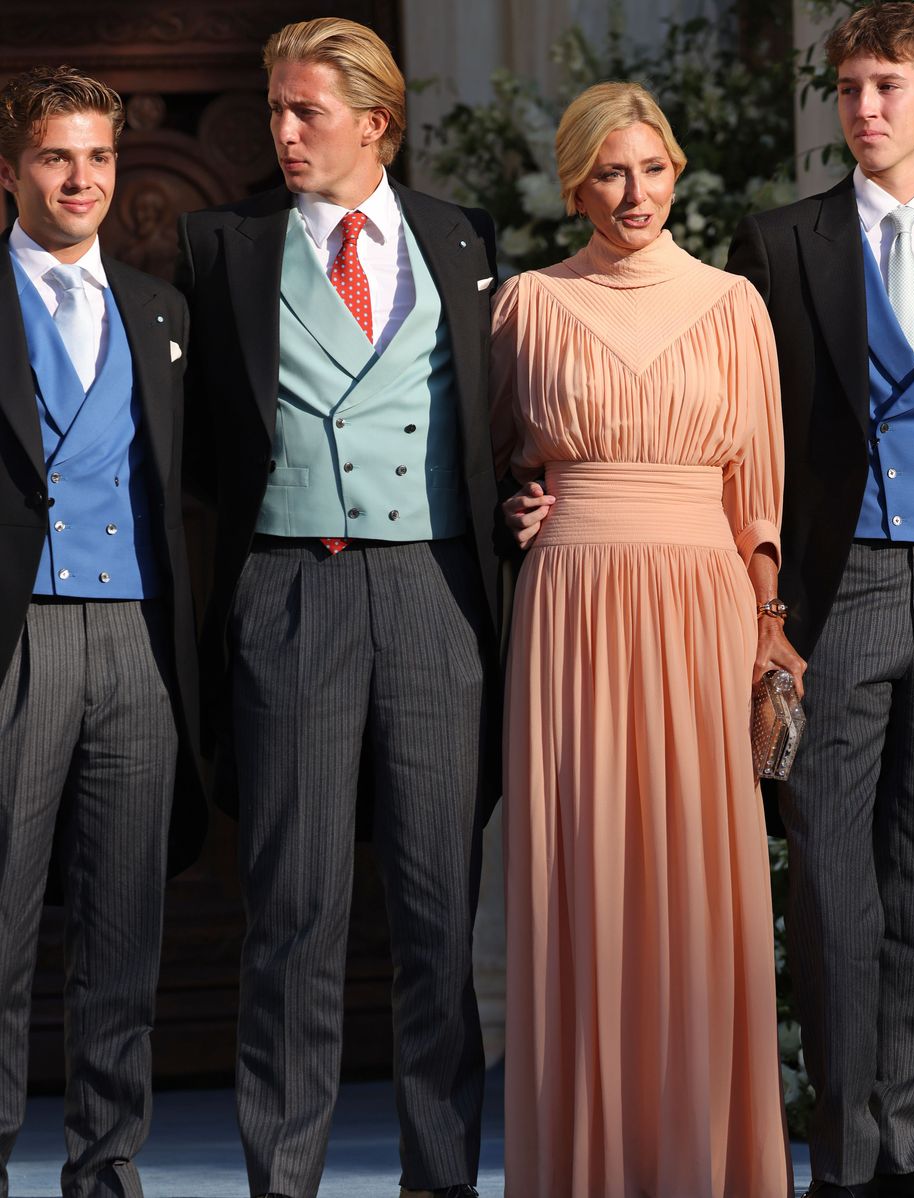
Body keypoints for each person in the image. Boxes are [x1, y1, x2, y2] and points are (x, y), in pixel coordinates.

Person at [177, 18, 499, 1198]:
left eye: (305, 111)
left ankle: (441, 1178)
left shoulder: (462, 240)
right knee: (295, 913)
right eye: (274, 110)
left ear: (375, 120)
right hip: (293, 588)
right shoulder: (224, 244)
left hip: (433, 590)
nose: (283, 131)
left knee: (434, 914)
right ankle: (283, 1179)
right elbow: (203, 445)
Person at [724, 5, 914, 1196]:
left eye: (887, 85)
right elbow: (746, 436)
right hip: (831, 594)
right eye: (848, 87)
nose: (864, 107)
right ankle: (844, 1160)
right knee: (835, 888)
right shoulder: (779, 243)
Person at [491, 80, 802, 1198]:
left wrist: (768, 630)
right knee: (582, 877)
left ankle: (703, 1164)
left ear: (677, 173)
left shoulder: (732, 305)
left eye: (653, 169)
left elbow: (756, 496)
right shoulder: (522, 303)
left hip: (699, 607)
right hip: (570, 608)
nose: (635, 193)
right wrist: (514, 506)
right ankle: (589, 1165)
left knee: (699, 884)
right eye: (612, 172)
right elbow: (489, 466)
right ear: (577, 180)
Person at [0, 66, 206, 1198]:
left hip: (134, 637)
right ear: (10, 172)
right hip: (15, 636)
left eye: (98, 158)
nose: (81, 179)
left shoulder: (159, 306)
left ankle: (106, 1162)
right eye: (55, 158)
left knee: (126, 918)